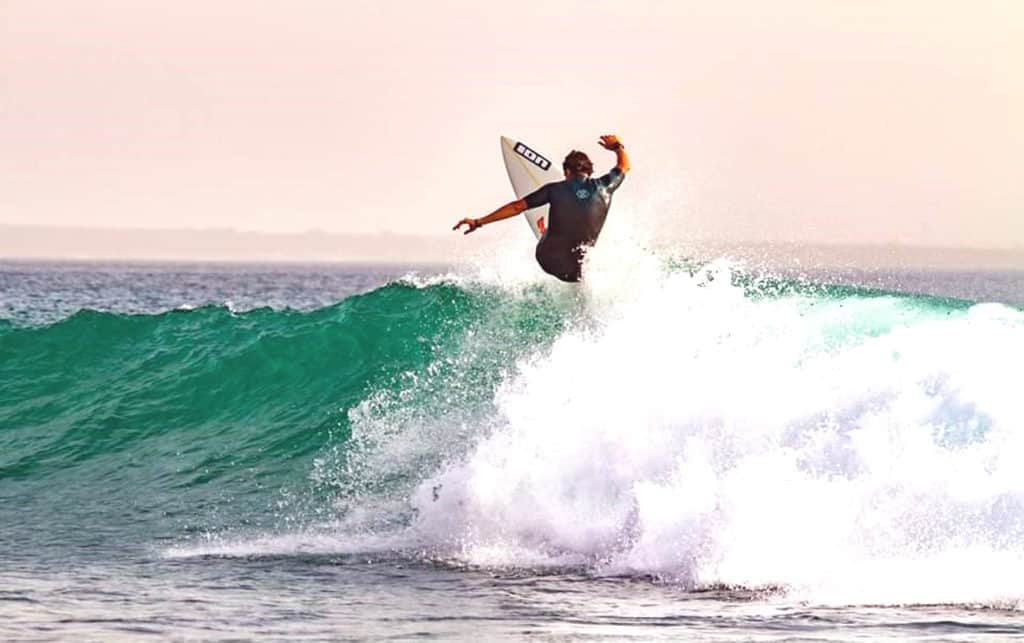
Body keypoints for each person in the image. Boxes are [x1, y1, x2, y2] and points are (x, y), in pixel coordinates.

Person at [453, 134, 630, 282]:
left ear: (567, 172)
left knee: (558, 218)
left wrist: (479, 221)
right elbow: (624, 166)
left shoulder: (554, 189)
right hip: (579, 273)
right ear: (590, 172)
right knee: (583, 231)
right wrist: (617, 146)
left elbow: (517, 207)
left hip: (549, 260)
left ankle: (544, 231)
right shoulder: (605, 186)